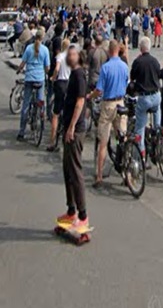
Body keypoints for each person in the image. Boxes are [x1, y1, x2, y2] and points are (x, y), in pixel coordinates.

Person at [56, 45, 90, 237]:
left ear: (78, 57)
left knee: (75, 172)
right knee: (67, 170)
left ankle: (83, 216)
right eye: (68, 54)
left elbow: (79, 102)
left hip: (74, 131)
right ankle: (71, 211)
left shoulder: (79, 75)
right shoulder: (75, 74)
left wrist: (70, 127)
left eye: (72, 54)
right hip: (71, 128)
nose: (69, 57)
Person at [90, 39, 130, 188]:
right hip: (121, 103)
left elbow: (99, 90)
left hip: (108, 104)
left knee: (103, 142)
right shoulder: (125, 66)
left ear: (109, 51)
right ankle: (128, 175)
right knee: (123, 139)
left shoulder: (106, 68)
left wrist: (90, 96)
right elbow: (126, 82)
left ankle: (99, 176)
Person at [17, 29, 50, 140]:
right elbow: (47, 67)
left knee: (26, 105)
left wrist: (19, 69)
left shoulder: (29, 48)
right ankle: (41, 124)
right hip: (40, 79)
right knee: (41, 102)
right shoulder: (45, 50)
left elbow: (23, 63)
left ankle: (21, 132)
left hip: (29, 78)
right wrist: (46, 73)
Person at [129, 37, 162, 152]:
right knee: (157, 111)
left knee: (140, 127)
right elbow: (159, 74)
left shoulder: (138, 62)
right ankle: (158, 137)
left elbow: (132, 77)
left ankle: (140, 155)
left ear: (140, 48)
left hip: (144, 97)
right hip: (156, 95)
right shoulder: (155, 60)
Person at [47, 38, 70, 152]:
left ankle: (52, 141)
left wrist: (53, 78)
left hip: (60, 83)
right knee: (67, 112)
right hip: (69, 84)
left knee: (55, 114)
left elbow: (56, 68)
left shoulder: (60, 57)